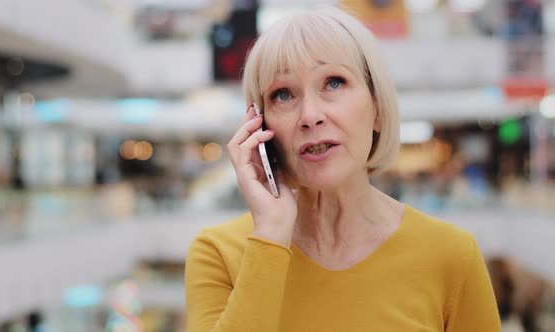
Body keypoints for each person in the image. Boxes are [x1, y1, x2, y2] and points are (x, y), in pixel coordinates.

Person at [185, 5, 500, 331]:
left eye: (334, 83)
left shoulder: (451, 255)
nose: (310, 115)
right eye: (283, 94)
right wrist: (271, 235)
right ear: (258, 126)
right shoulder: (218, 254)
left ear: (377, 108)